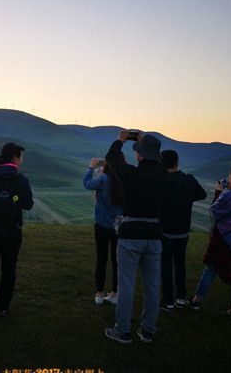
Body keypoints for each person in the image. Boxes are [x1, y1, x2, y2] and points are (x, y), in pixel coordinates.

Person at [103, 131, 165, 344]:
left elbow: (111, 159)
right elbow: (157, 159)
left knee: (126, 284)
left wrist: (121, 140)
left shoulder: (131, 173)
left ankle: (123, 331)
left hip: (131, 234)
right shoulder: (163, 175)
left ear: (138, 155)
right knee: (152, 285)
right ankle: (148, 330)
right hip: (155, 235)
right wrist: (143, 141)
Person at [189, 165, 231, 320]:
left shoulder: (228, 195)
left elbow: (215, 210)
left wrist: (219, 192)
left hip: (223, 238)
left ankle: (197, 300)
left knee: (211, 268)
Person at [0, 142, 34, 317]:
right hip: (13, 231)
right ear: (15, 158)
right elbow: (28, 205)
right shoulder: (22, 180)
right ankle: (3, 308)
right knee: (9, 269)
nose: (22, 161)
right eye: (21, 157)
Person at [159, 150, 206, 311]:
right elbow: (202, 194)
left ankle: (168, 299)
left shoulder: (162, 180)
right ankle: (181, 296)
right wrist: (187, 198)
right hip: (183, 229)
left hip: (165, 230)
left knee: (165, 264)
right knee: (180, 263)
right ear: (177, 162)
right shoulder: (188, 179)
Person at [83, 156, 124, 305]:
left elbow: (87, 184)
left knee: (101, 259)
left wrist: (91, 167)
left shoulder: (104, 179)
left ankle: (99, 294)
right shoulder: (124, 179)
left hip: (101, 225)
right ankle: (115, 293)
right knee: (116, 260)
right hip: (119, 227)